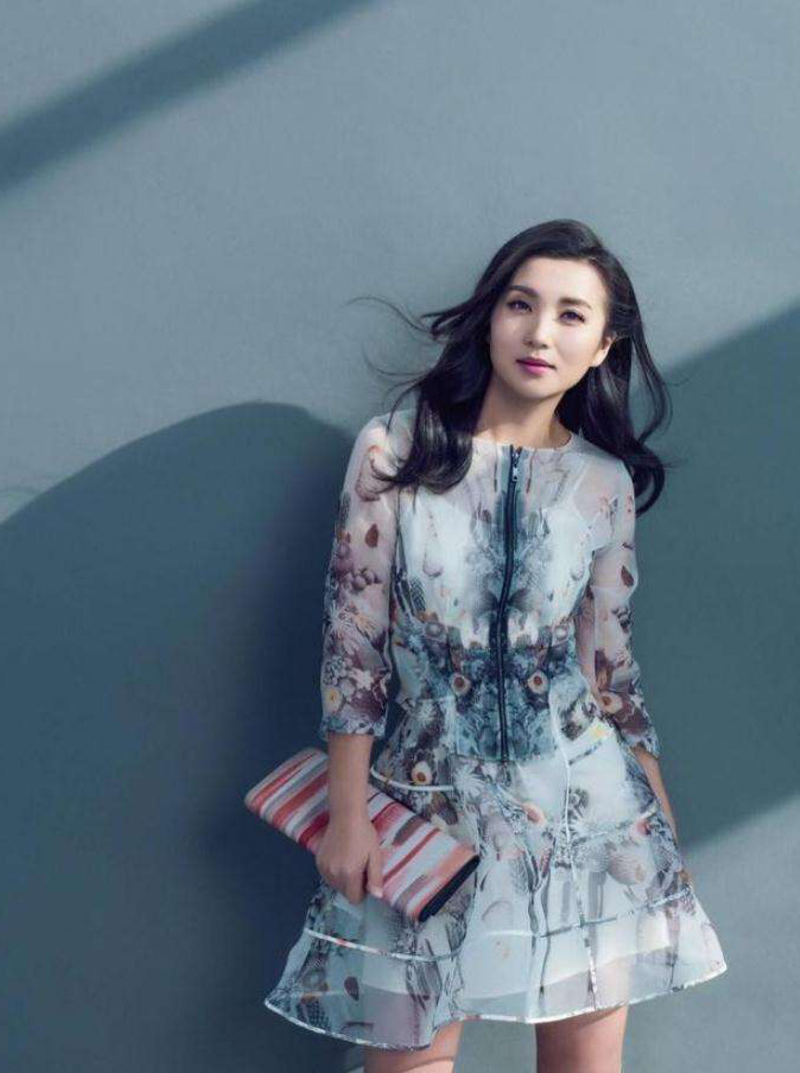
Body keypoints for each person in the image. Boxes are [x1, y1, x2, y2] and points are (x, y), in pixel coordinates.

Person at [263, 219, 728, 1072]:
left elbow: (611, 676)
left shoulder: (603, 484)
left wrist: (661, 829)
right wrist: (348, 814)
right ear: (491, 318)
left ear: (603, 345)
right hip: (428, 810)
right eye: (522, 304)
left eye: (571, 314)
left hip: (590, 818)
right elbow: (352, 648)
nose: (541, 332)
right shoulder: (394, 452)